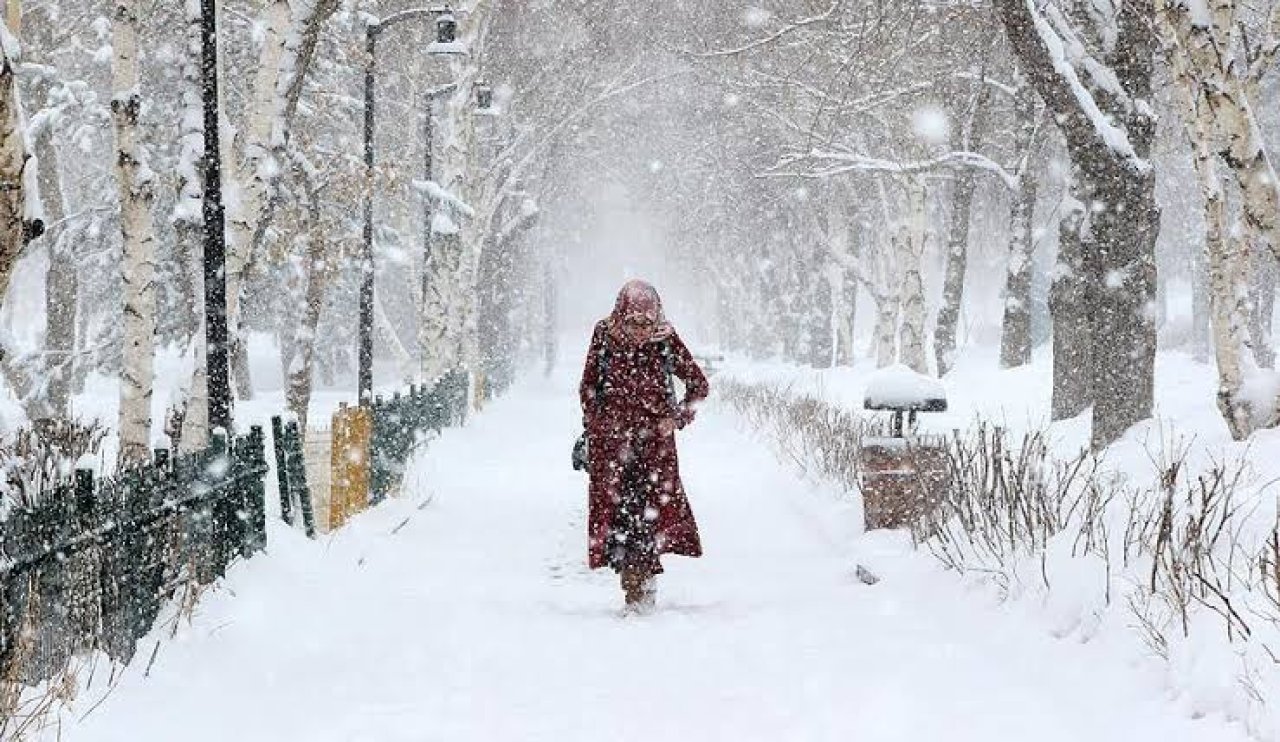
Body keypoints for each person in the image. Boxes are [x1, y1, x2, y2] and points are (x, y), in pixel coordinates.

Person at [579, 279, 709, 613]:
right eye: (635, 322)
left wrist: (677, 418)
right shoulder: (605, 335)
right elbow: (589, 386)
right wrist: (598, 425)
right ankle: (633, 582)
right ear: (622, 313)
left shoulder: (665, 340)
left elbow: (698, 385)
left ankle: (641, 587)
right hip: (612, 448)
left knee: (648, 516)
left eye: (647, 322)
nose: (641, 330)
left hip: (655, 450)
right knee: (619, 518)